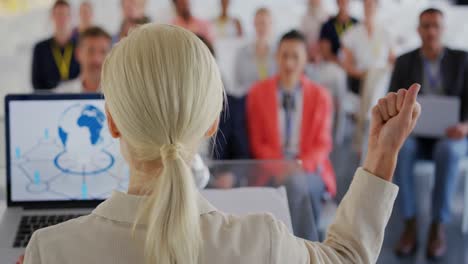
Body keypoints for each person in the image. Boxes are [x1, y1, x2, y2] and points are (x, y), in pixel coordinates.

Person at [21, 23, 422, 264]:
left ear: (110, 122)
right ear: (213, 122)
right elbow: (346, 258)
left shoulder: (48, 250)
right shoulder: (260, 242)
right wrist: (382, 155)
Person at [389, 8, 468, 259]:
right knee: (402, 148)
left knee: (448, 150)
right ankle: (409, 223)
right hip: (415, 134)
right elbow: (392, 102)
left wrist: (466, 126)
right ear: (418, 30)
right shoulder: (404, 61)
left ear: (443, 30)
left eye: (435, 25)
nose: (431, 31)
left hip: (452, 134)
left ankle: (438, 225)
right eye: (426, 26)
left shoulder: (463, 60)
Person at [247, 30, 335, 236]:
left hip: (310, 169)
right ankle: (308, 249)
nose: (289, 63)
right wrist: (281, 168)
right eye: (284, 56)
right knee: (295, 187)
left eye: (295, 57)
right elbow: (258, 142)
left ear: (306, 59)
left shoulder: (320, 96)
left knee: (298, 185)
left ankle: (292, 247)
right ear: (276, 56)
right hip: (269, 170)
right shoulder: (258, 93)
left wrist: (297, 168)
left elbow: (322, 145)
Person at [341, 0, 394, 151]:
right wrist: (365, 74)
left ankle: (365, 121)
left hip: (382, 79)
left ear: (377, 7)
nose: (368, 8)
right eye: (366, 4)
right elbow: (347, 64)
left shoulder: (386, 33)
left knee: (377, 75)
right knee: (372, 76)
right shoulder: (352, 33)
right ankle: (370, 117)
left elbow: (392, 62)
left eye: (371, 5)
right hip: (361, 79)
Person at [31, 0, 80, 91]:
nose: (61, 18)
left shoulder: (81, 46)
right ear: (52, 16)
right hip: (49, 101)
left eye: (65, 14)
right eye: (58, 14)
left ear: (71, 17)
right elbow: (36, 84)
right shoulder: (40, 48)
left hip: (76, 99)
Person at [232, 7, 275, 97]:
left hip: (272, 101)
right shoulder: (242, 53)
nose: (260, 27)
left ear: (271, 25)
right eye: (257, 23)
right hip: (248, 100)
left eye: (264, 23)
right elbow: (237, 85)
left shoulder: (279, 53)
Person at [55, 27, 112, 93]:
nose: (97, 59)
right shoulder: (61, 93)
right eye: (90, 51)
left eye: (103, 52)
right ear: (78, 53)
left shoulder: (120, 94)